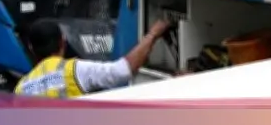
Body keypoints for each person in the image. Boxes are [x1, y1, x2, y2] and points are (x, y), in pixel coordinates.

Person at [14, 18, 172, 98]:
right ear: (62, 42)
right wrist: (153, 34)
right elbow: (123, 70)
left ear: (31, 49)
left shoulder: (21, 88)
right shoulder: (74, 70)